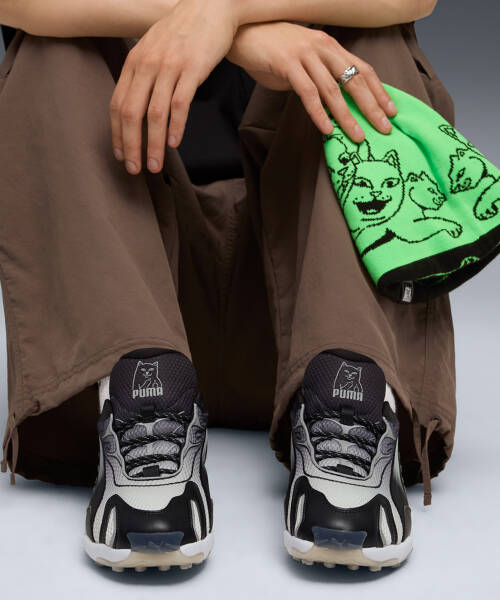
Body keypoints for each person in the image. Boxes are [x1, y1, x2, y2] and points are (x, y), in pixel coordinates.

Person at [0, 0, 456, 573]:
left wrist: (223, 13)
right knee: (50, 49)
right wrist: (230, 34)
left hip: (306, 313)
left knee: (371, 39)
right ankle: (147, 418)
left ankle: (348, 411)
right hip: (118, 328)